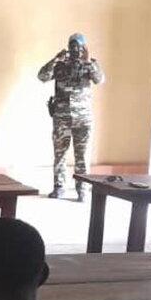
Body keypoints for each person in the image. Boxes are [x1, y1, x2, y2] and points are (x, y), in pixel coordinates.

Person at [38, 33, 105, 201]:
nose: (75, 49)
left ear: (84, 48)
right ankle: (59, 187)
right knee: (60, 154)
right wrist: (56, 59)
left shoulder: (89, 65)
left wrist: (88, 62)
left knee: (82, 157)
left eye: (78, 46)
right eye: (72, 46)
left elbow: (99, 79)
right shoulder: (60, 65)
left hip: (83, 120)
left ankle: (83, 190)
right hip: (62, 119)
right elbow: (42, 76)